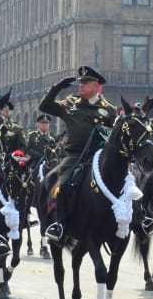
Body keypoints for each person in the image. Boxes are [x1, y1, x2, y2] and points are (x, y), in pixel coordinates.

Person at [38, 65, 117, 246]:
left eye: (85, 83)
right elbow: (45, 106)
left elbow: (114, 136)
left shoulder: (109, 110)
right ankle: (60, 224)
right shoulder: (70, 103)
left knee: (126, 185)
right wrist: (56, 88)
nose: (80, 86)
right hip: (74, 156)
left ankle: (134, 220)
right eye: (80, 83)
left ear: (97, 86)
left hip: (98, 157)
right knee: (61, 184)